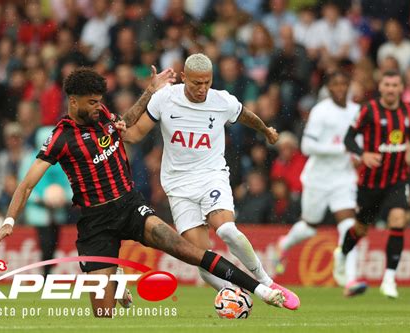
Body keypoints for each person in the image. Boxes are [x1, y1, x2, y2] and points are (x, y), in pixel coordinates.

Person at [0, 67, 286, 318]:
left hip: (130, 207)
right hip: (96, 222)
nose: (97, 106)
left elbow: (124, 123)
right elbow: (26, 184)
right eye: (90, 102)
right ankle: (114, 281)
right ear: (73, 102)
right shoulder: (60, 138)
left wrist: (149, 91)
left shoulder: (100, 113)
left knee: (188, 251)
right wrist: (9, 222)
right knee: (103, 315)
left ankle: (261, 290)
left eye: (98, 101)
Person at [121, 53, 300, 310]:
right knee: (200, 257)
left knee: (226, 229)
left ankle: (266, 282)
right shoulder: (165, 98)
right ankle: (235, 296)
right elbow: (135, 134)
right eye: (196, 83)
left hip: (211, 176)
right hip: (178, 185)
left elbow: (244, 114)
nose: (202, 88)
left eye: (207, 82)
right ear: (184, 78)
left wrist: (266, 130)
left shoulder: (221, 101)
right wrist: (118, 130)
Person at [274, 71, 366, 296]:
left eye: (344, 83)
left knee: (348, 226)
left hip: (343, 179)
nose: (341, 88)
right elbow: (306, 146)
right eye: (336, 84)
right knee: (309, 227)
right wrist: (340, 150)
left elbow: (360, 143)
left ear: (349, 86)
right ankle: (285, 243)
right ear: (329, 88)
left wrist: (358, 156)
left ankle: (351, 280)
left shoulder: (357, 112)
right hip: (318, 179)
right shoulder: (321, 112)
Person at [340, 70, 410, 298]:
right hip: (370, 183)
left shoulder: (407, 109)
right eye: (387, 85)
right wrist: (362, 154)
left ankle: (389, 279)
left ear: (400, 88)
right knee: (360, 229)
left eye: (395, 85)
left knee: (398, 220)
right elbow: (349, 137)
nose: (390, 89)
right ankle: (343, 254)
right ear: (381, 87)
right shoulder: (369, 110)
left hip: (397, 179)